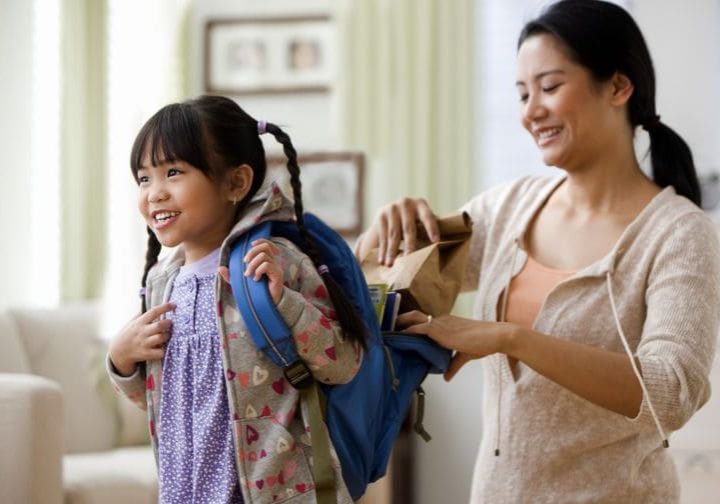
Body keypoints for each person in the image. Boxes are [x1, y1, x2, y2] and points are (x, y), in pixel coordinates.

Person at [355, 1, 720, 502]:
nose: (530, 111)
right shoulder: (508, 208)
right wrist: (382, 234)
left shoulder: (677, 233)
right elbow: (382, 296)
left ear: (618, 86)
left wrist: (513, 338)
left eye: (549, 87)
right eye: (523, 94)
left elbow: (673, 391)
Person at [107, 95, 363, 504]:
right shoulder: (161, 282)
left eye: (173, 172)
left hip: (275, 492)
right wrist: (122, 360)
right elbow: (163, 402)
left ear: (235, 183)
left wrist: (287, 304)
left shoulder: (275, 264)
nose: (154, 193)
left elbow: (343, 365)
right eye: (143, 178)